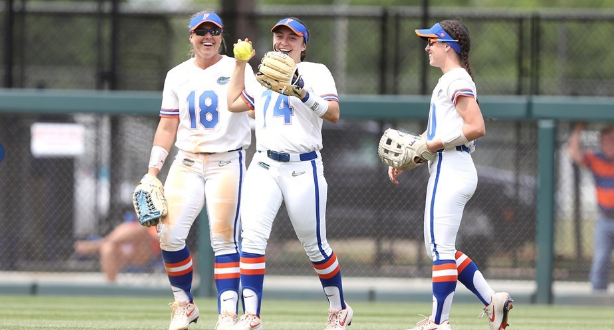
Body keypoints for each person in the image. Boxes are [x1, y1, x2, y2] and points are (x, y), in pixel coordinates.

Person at [226, 17, 353, 330]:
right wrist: (241, 64)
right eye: (279, 36)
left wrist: (301, 90)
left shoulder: (316, 72)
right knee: (251, 237)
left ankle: (339, 308)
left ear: (303, 44)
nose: (284, 42)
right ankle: (251, 315)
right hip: (265, 164)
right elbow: (232, 102)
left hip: (303, 166)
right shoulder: (263, 73)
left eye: (291, 38)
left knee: (315, 246)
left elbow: (334, 113)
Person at [387, 21, 513, 330]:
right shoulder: (452, 79)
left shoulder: (455, 77)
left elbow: (476, 126)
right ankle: (491, 300)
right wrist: (409, 158)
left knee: (440, 250)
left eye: (432, 41)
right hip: (453, 166)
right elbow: (438, 134)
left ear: (450, 45)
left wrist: (429, 144)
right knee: (439, 249)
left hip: (450, 168)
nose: (427, 47)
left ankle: (439, 322)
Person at [142, 10, 255, 330]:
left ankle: (228, 315)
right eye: (201, 31)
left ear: (222, 35)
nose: (208, 37)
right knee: (169, 235)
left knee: (225, 240)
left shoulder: (239, 67)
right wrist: (152, 171)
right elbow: (167, 125)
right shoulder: (177, 74)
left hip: (226, 160)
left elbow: (256, 110)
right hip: (187, 160)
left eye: (214, 31)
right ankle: (183, 304)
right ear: (190, 37)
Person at [568, 122, 614, 292]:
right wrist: (579, 127)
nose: (610, 144)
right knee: (601, 260)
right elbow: (573, 152)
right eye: (606, 141)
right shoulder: (596, 159)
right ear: (601, 143)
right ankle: (597, 296)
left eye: (612, 140)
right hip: (605, 218)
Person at [73, 211, 161, 283]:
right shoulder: (130, 224)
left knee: (142, 229)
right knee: (107, 247)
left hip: (150, 254)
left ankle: (96, 245)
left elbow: (160, 238)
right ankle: (111, 288)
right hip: (127, 254)